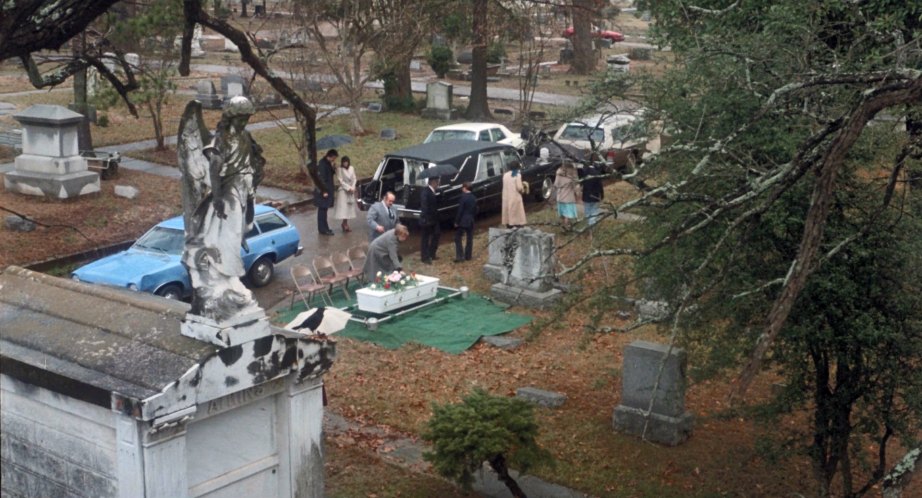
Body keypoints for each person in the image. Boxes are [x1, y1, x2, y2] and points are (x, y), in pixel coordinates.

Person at [179, 96, 264, 321]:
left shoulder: (246, 137)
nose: (245, 122)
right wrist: (216, 197)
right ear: (231, 117)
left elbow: (253, 160)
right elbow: (215, 171)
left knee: (243, 228)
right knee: (231, 233)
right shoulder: (221, 140)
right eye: (241, 117)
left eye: (247, 118)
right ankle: (228, 273)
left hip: (244, 189)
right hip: (229, 192)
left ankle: (228, 274)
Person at [314, 148, 337, 236]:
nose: (334, 159)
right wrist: (324, 191)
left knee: (324, 210)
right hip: (323, 192)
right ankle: (323, 229)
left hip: (327, 190)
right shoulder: (322, 164)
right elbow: (321, 179)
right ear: (330, 156)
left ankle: (325, 227)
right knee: (322, 211)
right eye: (334, 157)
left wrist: (333, 168)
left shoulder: (327, 163)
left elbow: (330, 174)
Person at [332, 155, 357, 232]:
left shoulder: (351, 168)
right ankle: (345, 224)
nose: (345, 164)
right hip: (343, 190)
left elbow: (354, 178)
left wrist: (352, 187)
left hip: (351, 190)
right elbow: (340, 181)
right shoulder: (340, 169)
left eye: (346, 162)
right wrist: (348, 188)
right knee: (344, 209)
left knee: (349, 209)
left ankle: (345, 223)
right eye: (344, 162)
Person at [454, 181, 477, 262]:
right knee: (469, 238)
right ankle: (468, 256)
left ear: (465, 188)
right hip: (470, 220)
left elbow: (460, 211)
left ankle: (460, 256)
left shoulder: (463, 197)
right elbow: (475, 209)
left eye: (462, 187)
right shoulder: (473, 197)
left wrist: (456, 221)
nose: (461, 189)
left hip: (463, 220)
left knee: (457, 237)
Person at [419, 177, 441, 264]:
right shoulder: (425, 192)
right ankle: (425, 257)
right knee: (425, 238)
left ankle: (432, 253)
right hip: (427, 219)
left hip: (434, 219)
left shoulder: (433, 191)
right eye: (437, 182)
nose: (438, 184)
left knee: (437, 234)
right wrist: (425, 218)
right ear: (433, 182)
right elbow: (424, 206)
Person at [501, 160, 527, 228]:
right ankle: (517, 226)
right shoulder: (517, 175)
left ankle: (509, 225)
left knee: (508, 214)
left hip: (506, 197)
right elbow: (519, 188)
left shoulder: (505, 175)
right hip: (515, 198)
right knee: (517, 216)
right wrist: (523, 187)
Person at [554, 161, 579, 230]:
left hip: (560, 196)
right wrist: (577, 194)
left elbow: (556, 184)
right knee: (567, 214)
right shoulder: (572, 174)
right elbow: (575, 186)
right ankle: (566, 227)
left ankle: (564, 226)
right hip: (568, 196)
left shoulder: (558, 173)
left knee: (562, 213)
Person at [578, 161, 604, 226]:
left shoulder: (584, 173)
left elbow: (581, 184)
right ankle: (591, 224)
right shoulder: (597, 174)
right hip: (595, 196)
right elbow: (600, 186)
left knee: (587, 212)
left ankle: (589, 226)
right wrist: (602, 195)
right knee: (594, 212)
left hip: (586, 196)